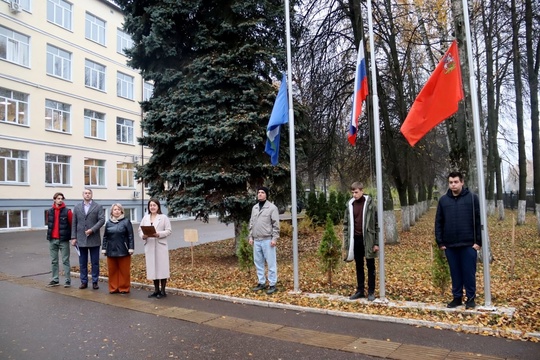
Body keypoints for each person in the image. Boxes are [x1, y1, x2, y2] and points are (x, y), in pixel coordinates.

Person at [435, 171, 481, 309]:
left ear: (462, 182)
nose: (453, 185)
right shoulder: (443, 201)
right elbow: (439, 222)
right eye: (451, 182)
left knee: (468, 272)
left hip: (468, 244)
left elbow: (478, 221)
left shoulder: (472, 199)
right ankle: (457, 297)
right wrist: (440, 241)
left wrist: (478, 242)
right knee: (455, 273)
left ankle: (471, 298)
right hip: (450, 245)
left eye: (456, 182)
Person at [343, 182, 379, 301]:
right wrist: (347, 243)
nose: (354, 194)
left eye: (356, 192)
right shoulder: (350, 205)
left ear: (362, 191)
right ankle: (360, 291)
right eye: (352, 192)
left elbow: (376, 224)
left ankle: (371, 292)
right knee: (359, 266)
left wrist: (376, 243)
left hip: (368, 239)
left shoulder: (370, 204)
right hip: (356, 240)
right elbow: (346, 225)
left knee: (370, 266)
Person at [71, 188, 105, 290]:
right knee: (82, 262)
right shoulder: (77, 207)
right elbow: (74, 223)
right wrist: (73, 237)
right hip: (81, 239)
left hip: (94, 238)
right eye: (85, 193)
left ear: (91, 195)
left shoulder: (98, 206)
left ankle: (95, 281)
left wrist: (92, 229)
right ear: (83, 195)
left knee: (95, 262)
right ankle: (84, 281)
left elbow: (102, 220)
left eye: (89, 193)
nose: (87, 195)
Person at [248, 186, 280, 295]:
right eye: (258, 192)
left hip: (268, 240)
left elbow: (276, 225)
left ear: (266, 194)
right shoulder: (255, 208)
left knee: (271, 263)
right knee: (258, 263)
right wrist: (250, 237)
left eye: (262, 192)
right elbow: (251, 223)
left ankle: (272, 284)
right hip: (256, 240)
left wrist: (274, 238)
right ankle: (261, 282)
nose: (260, 194)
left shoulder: (272, 208)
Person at [138, 198, 172, 299]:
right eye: (151, 205)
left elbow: (169, 231)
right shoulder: (146, 218)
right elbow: (140, 230)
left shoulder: (163, 217)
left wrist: (159, 234)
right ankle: (156, 290)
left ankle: (163, 291)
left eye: (154, 205)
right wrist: (143, 236)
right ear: (148, 207)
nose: (152, 207)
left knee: (162, 268)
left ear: (158, 207)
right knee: (153, 268)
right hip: (150, 245)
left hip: (160, 245)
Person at [102, 203, 135, 294]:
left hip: (123, 250)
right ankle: (113, 288)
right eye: (115, 209)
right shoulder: (108, 223)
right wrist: (104, 248)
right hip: (111, 250)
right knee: (112, 270)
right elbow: (105, 237)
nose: (116, 211)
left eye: (118, 209)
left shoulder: (126, 222)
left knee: (124, 271)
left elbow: (130, 236)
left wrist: (131, 248)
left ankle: (124, 288)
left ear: (121, 211)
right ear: (111, 212)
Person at [46, 192, 73, 288]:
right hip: (53, 240)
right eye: (58, 198)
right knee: (54, 261)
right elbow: (49, 224)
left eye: (61, 198)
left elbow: (72, 225)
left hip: (63, 240)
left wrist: (73, 237)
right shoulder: (50, 211)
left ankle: (67, 280)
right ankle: (55, 279)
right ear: (54, 199)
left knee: (65, 260)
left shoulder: (68, 212)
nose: (60, 200)